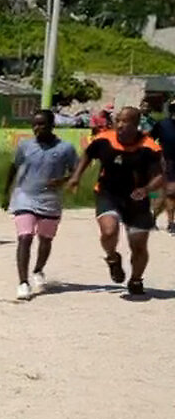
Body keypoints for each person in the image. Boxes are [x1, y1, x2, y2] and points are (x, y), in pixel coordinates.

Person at [67, 106, 165, 295]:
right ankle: (112, 258)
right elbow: (88, 155)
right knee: (109, 231)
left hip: (137, 198)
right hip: (108, 193)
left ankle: (136, 279)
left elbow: (160, 176)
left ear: (136, 125)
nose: (120, 125)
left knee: (138, 245)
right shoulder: (104, 140)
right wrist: (76, 176)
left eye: (125, 121)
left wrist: (146, 189)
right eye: (118, 120)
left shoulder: (149, 147)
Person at [1, 110, 79, 301]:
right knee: (25, 237)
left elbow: (76, 171)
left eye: (42, 124)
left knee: (45, 239)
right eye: (34, 124)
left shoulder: (65, 148)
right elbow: (14, 167)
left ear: (52, 125)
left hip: (50, 200)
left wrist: (63, 180)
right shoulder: (25, 146)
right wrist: (6, 192)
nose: (37, 128)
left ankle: (38, 269)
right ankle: (23, 283)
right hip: (24, 196)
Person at [149, 99, 175, 234]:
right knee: (170, 192)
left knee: (168, 193)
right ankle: (170, 223)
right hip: (167, 161)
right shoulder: (163, 125)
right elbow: (150, 140)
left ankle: (154, 218)